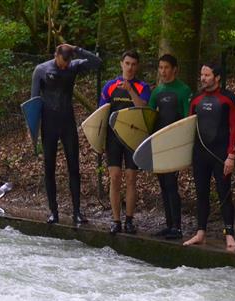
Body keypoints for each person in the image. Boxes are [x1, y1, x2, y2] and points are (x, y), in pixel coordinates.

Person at [30, 44, 102, 226]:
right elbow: (33, 101)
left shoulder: (73, 66)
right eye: (62, 63)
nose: (64, 67)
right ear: (56, 55)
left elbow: (98, 63)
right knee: (49, 168)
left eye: (66, 63)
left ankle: (77, 211)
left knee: (74, 168)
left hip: (67, 123)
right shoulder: (41, 70)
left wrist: (78, 49)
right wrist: (32, 130)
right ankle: (53, 211)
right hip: (49, 124)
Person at [183, 63, 235, 252]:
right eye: (202, 74)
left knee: (224, 192)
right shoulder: (196, 99)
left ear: (217, 78)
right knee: (201, 193)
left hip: (221, 154)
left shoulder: (228, 99)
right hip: (200, 154)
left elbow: (234, 128)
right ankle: (200, 232)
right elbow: (188, 128)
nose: (203, 78)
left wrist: (231, 155)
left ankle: (229, 233)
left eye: (207, 75)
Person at [100, 51, 152, 234]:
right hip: (113, 138)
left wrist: (130, 90)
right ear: (121, 64)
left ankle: (129, 219)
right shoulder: (109, 86)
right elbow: (101, 113)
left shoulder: (142, 86)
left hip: (132, 138)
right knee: (115, 178)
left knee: (131, 178)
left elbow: (143, 109)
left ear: (137, 67)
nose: (130, 67)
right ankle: (116, 220)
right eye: (127, 63)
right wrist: (98, 140)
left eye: (133, 64)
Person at [148, 54, 193, 239]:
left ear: (175, 69)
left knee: (171, 184)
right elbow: (150, 117)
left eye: (166, 67)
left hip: (175, 144)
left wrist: (183, 144)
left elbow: (188, 119)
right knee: (163, 185)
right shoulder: (157, 91)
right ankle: (169, 224)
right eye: (160, 68)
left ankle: (177, 226)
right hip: (160, 143)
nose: (163, 71)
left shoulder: (183, 90)